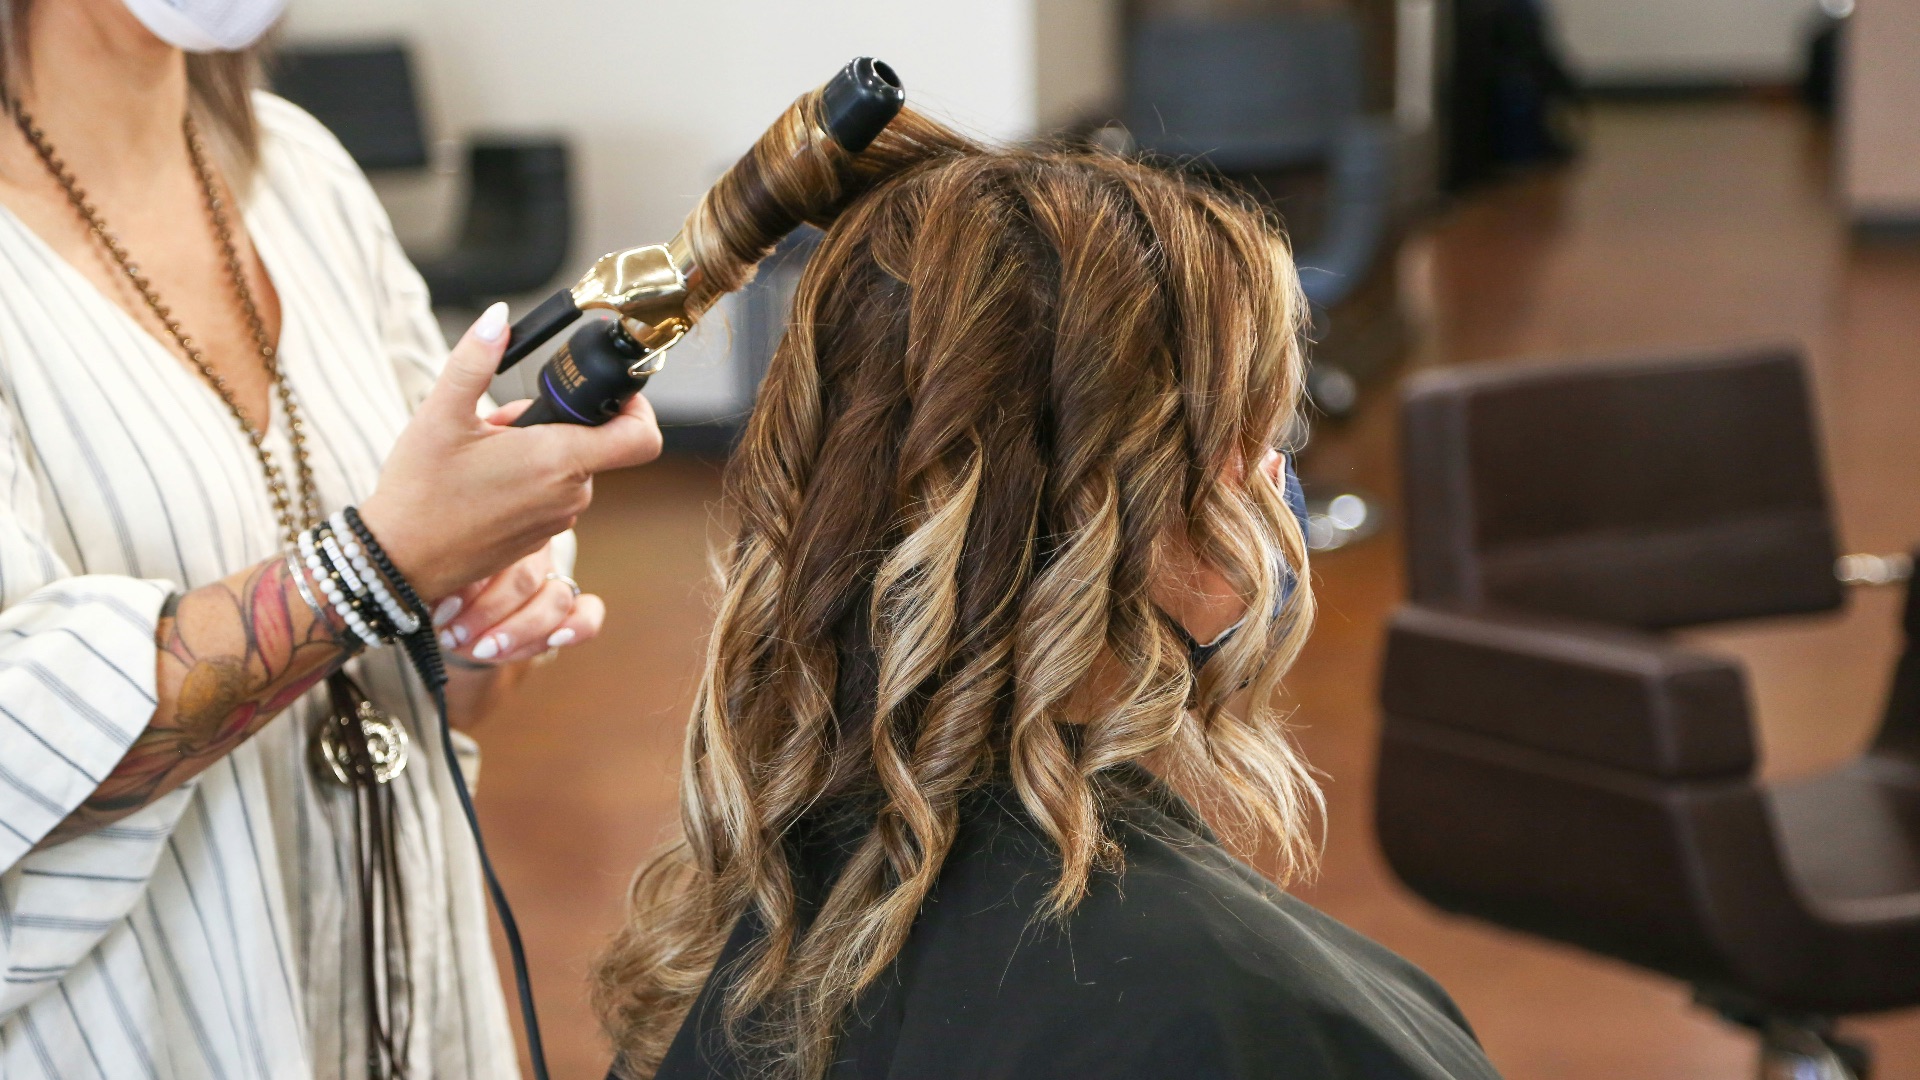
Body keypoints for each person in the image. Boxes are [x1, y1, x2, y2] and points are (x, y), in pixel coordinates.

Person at [592, 112, 1503, 1079]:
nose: (1270, 474)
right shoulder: (1275, 1021)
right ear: (1152, 502)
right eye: (1259, 429)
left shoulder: (730, 945)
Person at [0, 0, 660, 1075]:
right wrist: (374, 567)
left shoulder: (303, 174)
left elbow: (445, 668)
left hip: (412, 1001)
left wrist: (489, 603)